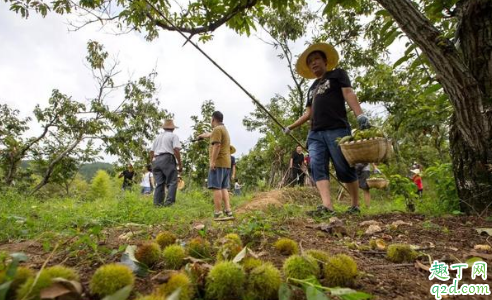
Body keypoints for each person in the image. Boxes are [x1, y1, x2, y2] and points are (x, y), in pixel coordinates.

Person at [284, 42, 371, 217]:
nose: (314, 63)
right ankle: (327, 206)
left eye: (316, 59)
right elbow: (308, 112)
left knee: (343, 167)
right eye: (310, 62)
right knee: (316, 165)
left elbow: (348, 93)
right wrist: (291, 126)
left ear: (325, 61)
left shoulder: (337, 75)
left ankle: (355, 204)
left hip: (337, 129)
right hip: (315, 133)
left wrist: (360, 114)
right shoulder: (311, 88)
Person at [197, 111, 233, 219]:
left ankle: (218, 212)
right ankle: (228, 211)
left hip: (218, 162)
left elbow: (217, 145)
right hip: (226, 163)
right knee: (223, 187)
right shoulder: (223, 129)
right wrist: (202, 136)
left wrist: (212, 161)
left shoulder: (217, 130)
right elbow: (210, 134)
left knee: (216, 187)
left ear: (213, 119)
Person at [149, 119, 183, 207]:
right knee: (172, 181)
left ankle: (157, 204)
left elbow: (151, 152)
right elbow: (176, 150)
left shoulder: (157, 137)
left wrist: (152, 162)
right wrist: (179, 163)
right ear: (173, 128)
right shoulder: (173, 136)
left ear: (164, 128)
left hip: (156, 160)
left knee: (159, 183)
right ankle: (169, 204)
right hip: (167, 158)